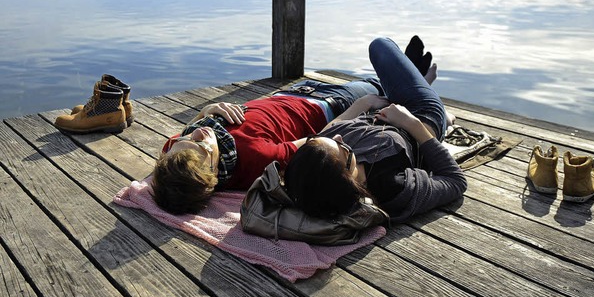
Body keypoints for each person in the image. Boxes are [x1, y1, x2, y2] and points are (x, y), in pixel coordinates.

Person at [284, 37, 467, 223]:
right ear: (348, 176)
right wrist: (410, 122)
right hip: (422, 114)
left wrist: (362, 104)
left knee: (385, 72)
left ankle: (418, 82)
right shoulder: (393, 187)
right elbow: (455, 181)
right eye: (342, 148)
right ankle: (430, 95)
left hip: (380, 109)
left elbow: (330, 130)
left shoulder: (321, 164)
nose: (338, 137)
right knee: (381, 45)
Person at [151, 74, 388, 214]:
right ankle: (420, 77)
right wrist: (362, 105)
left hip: (291, 91)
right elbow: (320, 140)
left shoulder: (176, 154)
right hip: (326, 104)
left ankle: (417, 73)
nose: (198, 133)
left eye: (185, 138)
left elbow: (187, 136)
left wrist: (204, 111)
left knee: (388, 78)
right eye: (202, 145)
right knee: (379, 84)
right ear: (213, 169)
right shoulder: (256, 157)